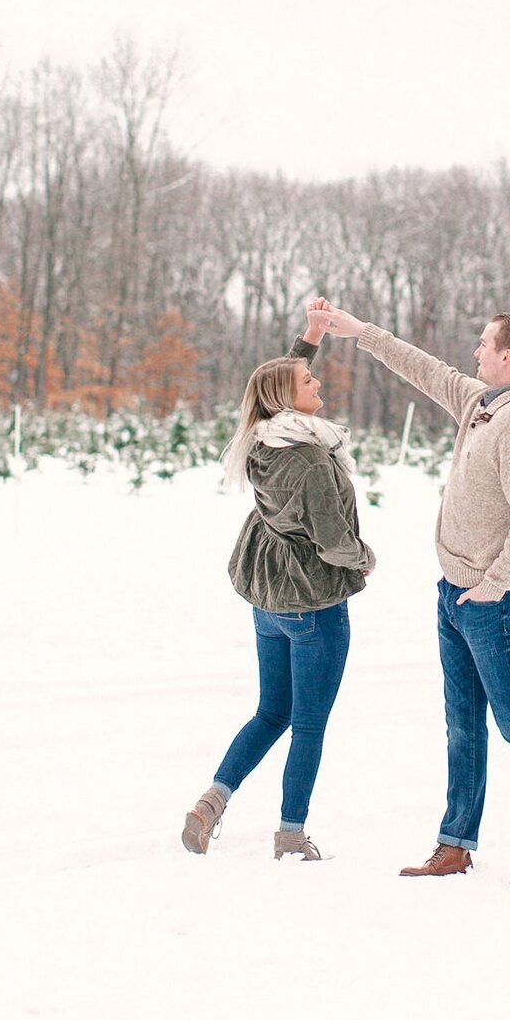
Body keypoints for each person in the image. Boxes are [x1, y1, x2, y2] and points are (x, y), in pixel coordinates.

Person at [319, 303, 510, 901]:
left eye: (484, 344)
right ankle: (455, 844)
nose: (475, 352)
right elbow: (423, 368)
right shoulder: (481, 403)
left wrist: (490, 589)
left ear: (508, 357)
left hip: (496, 605)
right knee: (463, 725)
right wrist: (359, 331)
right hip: (456, 595)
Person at [182, 311, 373, 863]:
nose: (319, 382)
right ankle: (291, 835)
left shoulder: (262, 437)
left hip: (269, 602)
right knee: (308, 725)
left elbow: (282, 378)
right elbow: (334, 540)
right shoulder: (310, 457)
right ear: (289, 400)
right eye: (309, 382)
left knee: (271, 712)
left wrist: (310, 337)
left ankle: (210, 803)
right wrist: (364, 560)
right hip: (313, 602)